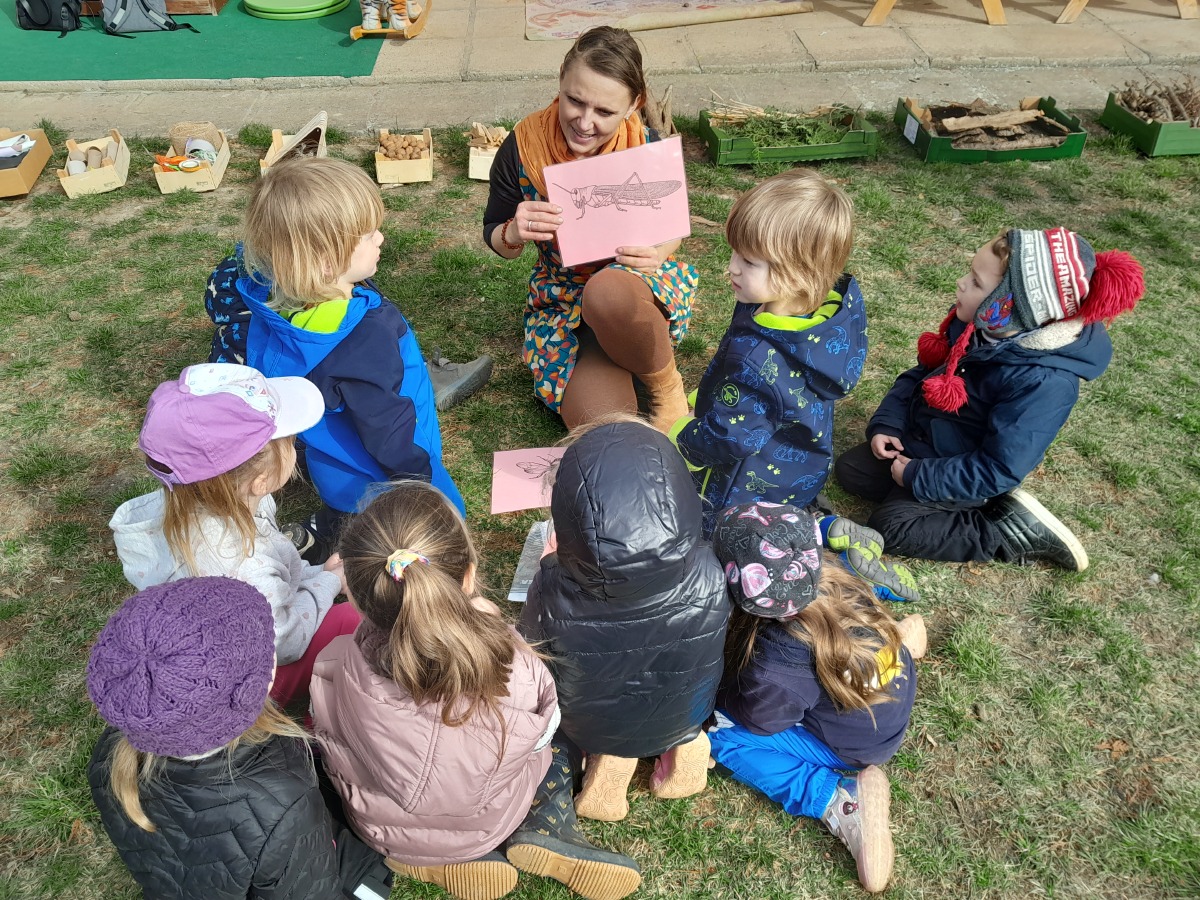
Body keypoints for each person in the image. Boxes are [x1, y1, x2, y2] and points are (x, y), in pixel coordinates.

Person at [310, 480, 643, 900]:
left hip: (380, 830)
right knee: (556, 742)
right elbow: (542, 730)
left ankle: (424, 857)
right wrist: (501, 632)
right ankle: (546, 822)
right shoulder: (514, 667)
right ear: (468, 576)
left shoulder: (334, 664)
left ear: (359, 598)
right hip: (487, 824)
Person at [203, 155, 471, 561]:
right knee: (418, 532)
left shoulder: (278, 312)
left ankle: (328, 530)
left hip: (333, 470)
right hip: (384, 473)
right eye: (367, 234)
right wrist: (423, 483)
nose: (381, 238)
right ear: (327, 261)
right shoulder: (363, 335)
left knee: (350, 510)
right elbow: (387, 427)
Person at [834, 227, 1145, 569]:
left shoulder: (1044, 382)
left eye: (976, 283)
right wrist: (888, 423)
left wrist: (919, 477)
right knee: (851, 471)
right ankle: (915, 494)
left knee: (891, 527)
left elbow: (1000, 466)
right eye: (969, 274)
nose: (961, 284)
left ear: (1011, 307)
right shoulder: (977, 327)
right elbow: (919, 377)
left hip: (967, 471)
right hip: (926, 443)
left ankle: (1004, 531)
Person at [87, 576, 394, 900]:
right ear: (252, 690)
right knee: (372, 878)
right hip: (283, 851)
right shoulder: (282, 803)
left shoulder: (111, 753)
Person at [108, 363, 360, 708]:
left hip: (215, 641)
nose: (295, 445)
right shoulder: (241, 561)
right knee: (350, 622)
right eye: (289, 441)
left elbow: (270, 587)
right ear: (261, 480)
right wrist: (327, 584)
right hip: (247, 678)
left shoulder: (188, 501)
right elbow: (283, 642)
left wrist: (318, 574)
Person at [482, 25, 696, 431]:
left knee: (608, 291)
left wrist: (657, 253)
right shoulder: (523, 146)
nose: (584, 122)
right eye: (574, 101)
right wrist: (513, 231)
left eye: (604, 112)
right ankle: (627, 359)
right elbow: (495, 232)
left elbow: (674, 227)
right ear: (561, 80)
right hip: (563, 298)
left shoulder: (649, 146)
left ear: (634, 105)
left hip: (632, 285)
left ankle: (665, 387)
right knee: (603, 427)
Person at [707, 503, 927, 894]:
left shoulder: (777, 663)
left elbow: (761, 721)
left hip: (856, 745)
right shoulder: (832, 574)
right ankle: (904, 637)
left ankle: (835, 798)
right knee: (860, 650)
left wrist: (720, 699)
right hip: (888, 690)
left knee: (720, 734)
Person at [520, 417, 730, 822]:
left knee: (606, 725)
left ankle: (611, 762)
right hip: (688, 711)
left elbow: (531, 652)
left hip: (593, 726)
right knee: (674, 703)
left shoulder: (552, 585)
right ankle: (687, 744)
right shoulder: (711, 570)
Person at [670, 169, 867, 535]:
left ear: (797, 274)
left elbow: (730, 437)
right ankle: (812, 521)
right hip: (797, 463)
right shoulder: (822, 314)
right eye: (735, 252)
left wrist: (680, 437)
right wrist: (711, 395)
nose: (731, 267)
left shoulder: (760, 360)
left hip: (745, 486)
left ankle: (813, 536)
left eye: (748, 261)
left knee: (714, 537)